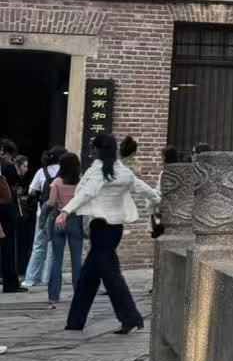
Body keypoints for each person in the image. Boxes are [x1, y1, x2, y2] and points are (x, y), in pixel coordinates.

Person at [57, 131, 159, 334]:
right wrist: (159, 199)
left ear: (97, 149)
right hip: (114, 228)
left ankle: (131, 317)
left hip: (101, 227)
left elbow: (87, 193)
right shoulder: (123, 172)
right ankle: (75, 321)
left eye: (93, 147)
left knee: (110, 275)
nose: (91, 151)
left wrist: (66, 210)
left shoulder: (98, 172)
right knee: (89, 275)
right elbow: (144, 188)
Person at [44, 153, 83, 307]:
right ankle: (79, 294)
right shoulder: (80, 184)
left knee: (56, 259)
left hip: (59, 219)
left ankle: (53, 295)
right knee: (76, 260)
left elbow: (51, 202)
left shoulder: (56, 183)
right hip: (75, 220)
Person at [21, 148, 62, 290]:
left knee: (39, 245)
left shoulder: (41, 171)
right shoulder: (66, 171)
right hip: (60, 213)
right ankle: (47, 278)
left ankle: (31, 278)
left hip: (43, 212)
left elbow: (32, 191)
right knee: (53, 246)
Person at [0, 140, 20, 293]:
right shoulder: (6, 166)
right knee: (8, 247)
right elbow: (15, 179)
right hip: (6, 211)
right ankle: (10, 283)